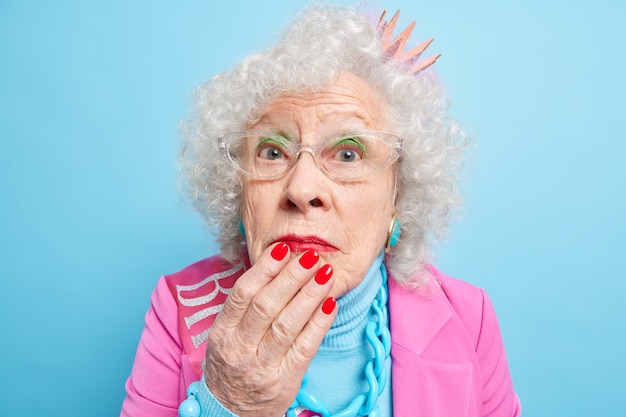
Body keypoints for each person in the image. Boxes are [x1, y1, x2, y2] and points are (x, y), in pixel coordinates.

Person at [120, 4, 520, 417]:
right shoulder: (176, 307)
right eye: (272, 152)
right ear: (237, 191)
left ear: (398, 199)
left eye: (348, 153)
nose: (301, 188)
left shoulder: (470, 320)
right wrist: (230, 403)